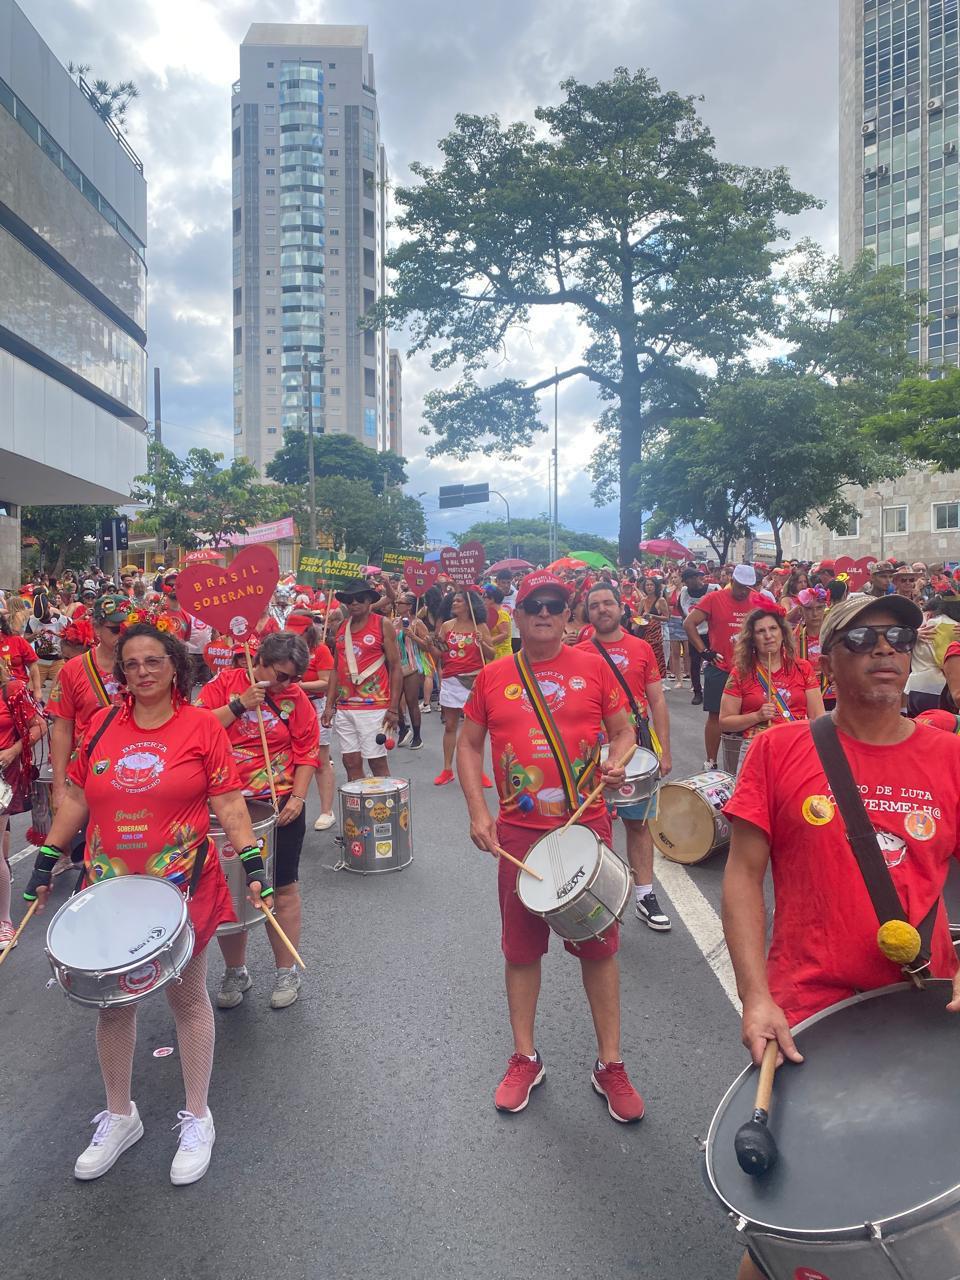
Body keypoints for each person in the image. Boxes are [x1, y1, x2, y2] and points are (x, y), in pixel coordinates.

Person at [721, 592, 960, 1280]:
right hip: (809, 1017)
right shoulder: (778, 749)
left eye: (899, 636)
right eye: (864, 638)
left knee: (912, 1202)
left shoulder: (948, 758)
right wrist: (755, 997)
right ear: (828, 660)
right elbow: (741, 876)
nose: (886, 649)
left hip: (920, 1013)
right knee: (798, 1224)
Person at [23, 623, 268, 1185]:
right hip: (111, 886)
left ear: (175, 665)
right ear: (122, 673)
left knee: (188, 998)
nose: (143, 672)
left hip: (179, 886)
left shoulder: (203, 726)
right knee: (115, 1006)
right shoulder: (104, 724)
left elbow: (229, 801)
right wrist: (46, 857)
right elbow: (80, 795)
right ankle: (119, 1115)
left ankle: (198, 1115)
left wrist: (252, 863)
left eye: (154, 661)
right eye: (132, 665)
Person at [457, 570, 644, 1121]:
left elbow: (624, 730)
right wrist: (477, 811)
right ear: (516, 614)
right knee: (520, 950)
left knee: (599, 948)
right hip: (518, 836)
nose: (544, 612)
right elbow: (468, 746)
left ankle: (610, 1063)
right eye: (533, 605)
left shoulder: (595, 666)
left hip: (587, 827)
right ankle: (524, 1057)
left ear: (569, 616)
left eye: (555, 605)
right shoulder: (492, 676)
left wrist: (618, 760)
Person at [197, 632, 318, 1011]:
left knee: (282, 889)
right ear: (259, 661)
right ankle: (236, 970)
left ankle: (286, 972)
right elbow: (195, 729)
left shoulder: (296, 701)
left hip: (278, 806)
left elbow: (307, 752)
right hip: (226, 808)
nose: (288, 685)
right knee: (231, 893)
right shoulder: (225, 685)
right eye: (281, 676)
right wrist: (238, 705)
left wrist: (298, 797)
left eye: (294, 678)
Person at [581, 583, 673, 930]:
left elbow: (657, 701)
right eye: (594, 605)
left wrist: (663, 750)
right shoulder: (577, 651)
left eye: (608, 603)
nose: (602, 609)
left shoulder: (641, 648)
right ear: (587, 613)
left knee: (638, 824)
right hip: (590, 754)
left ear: (621, 608)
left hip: (634, 749)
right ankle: (597, 897)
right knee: (594, 827)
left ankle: (644, 895)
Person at [719, 606, 824, 765]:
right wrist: (757, 716)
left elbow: (818, 716)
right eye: (761, 631)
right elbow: (725, 721)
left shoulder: (802, 668)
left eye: (773, 628)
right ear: (752, 639)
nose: (768, 636)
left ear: (782, 633)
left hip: (796, 748)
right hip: (756, 749)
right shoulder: (740, 673)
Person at [322, 579, 402, 782]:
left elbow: (395, 667)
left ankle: (385, 810)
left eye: (359, 599)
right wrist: (329, 705)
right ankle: (358, 811)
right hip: (345, 707)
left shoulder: (382, 624)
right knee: (350, 763)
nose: (353, 603)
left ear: (368, 601)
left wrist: (393, 709)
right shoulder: (340, 627)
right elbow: (335, 670)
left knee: (376, 761)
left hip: (374, 707)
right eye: (349, 600)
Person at [683, 564, 758, 769]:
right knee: (715, 715)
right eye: (741, 586)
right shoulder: (715, 598)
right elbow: (689, 623)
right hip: (720, 666)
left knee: (749, 716)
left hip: (749, 669)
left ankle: (747, 764)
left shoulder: (757, 602)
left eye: (748, 588)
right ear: (732, 581)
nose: (744, 591)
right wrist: (704, 650)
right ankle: (711, 762)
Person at [0, 657, 46, 947]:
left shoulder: (12, 689)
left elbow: (38, 726)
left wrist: (15, 750)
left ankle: (4, 921)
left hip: (2, 774)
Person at [433, 588, 494, 787]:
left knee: (475, 730)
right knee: (450, 726)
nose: (454, 603)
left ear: (469, 605)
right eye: (454, 601)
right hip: (451, 681)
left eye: (458, 601)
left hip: (474, 682)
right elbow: (439, 651)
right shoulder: (447, 626)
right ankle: (447, 769)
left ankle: (479, 771)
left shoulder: (480, 626)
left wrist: (481, 642)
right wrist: (429, 643)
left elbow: (491, 654)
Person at [296, 618, 337, 830]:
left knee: (321, 759)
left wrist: (299, 685)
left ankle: (326, 811)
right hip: (291, 707)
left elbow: (326, 681)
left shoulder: (320, 650)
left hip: (316, 705)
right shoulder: (286, 649)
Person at [394, 592, 430, 751]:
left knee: (411, 702)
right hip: (395, 667)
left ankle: (417, 736)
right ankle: (403, 728)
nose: (398, 605)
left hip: (412, 666)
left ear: (409, 606)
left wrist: (413, 636)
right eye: (397, 602)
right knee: (393, 702)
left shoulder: (418, 623)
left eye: (401, 602)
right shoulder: (394, 622)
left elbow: (427, 646)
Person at [793, 585, 834, 710]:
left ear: (825, 608)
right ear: (801, 610)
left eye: (819, 608)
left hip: (832, 696)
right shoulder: (793, 638)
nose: (815, 614)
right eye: (809, 609)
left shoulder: (834, 635)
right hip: (806, 697)